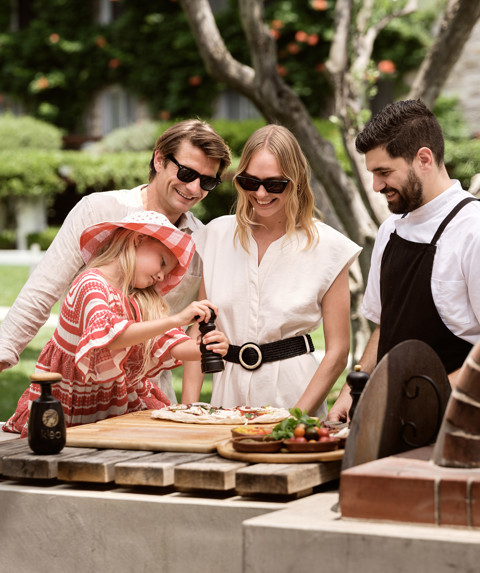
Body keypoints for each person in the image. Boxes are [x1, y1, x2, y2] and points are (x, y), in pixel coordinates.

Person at [0, 119, 231, 403]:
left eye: (207, 181)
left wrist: (190, 408)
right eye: (185, 173)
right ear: (159, 159)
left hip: (146, 402)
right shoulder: (98, 210)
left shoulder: (202, 243)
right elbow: (40, 292)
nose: (194, 188)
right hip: (78, 393)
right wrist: (2, 353)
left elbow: (181, 337)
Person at [181, 124, 362, 418]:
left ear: (297, 181)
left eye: (275, 184)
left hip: (295, 395)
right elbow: (200, 332)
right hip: (226, 397)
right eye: (250, 182)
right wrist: (189, 411)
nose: (261, 193)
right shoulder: (215, 237)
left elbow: (338, 352)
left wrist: (294, 418)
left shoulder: (329, 248)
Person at [3, 211, 228, 437]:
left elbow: (169, 343)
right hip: (68, 407)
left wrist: (206, 348)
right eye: (161, 263)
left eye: (165, 272)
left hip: (115, 406)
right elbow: (111, 337)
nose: (161, 277)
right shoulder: (90, 284)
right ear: (138, 239)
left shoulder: (138, 300)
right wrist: (177, 319)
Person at [327, 99, 480, 422]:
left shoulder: (473, 231)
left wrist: (422, 402)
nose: (376, 186)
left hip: (454, 427)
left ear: (423, 158)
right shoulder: (390, 230)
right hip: (391, 422)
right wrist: (351, 392)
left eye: (384, 172)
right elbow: (386, 325)